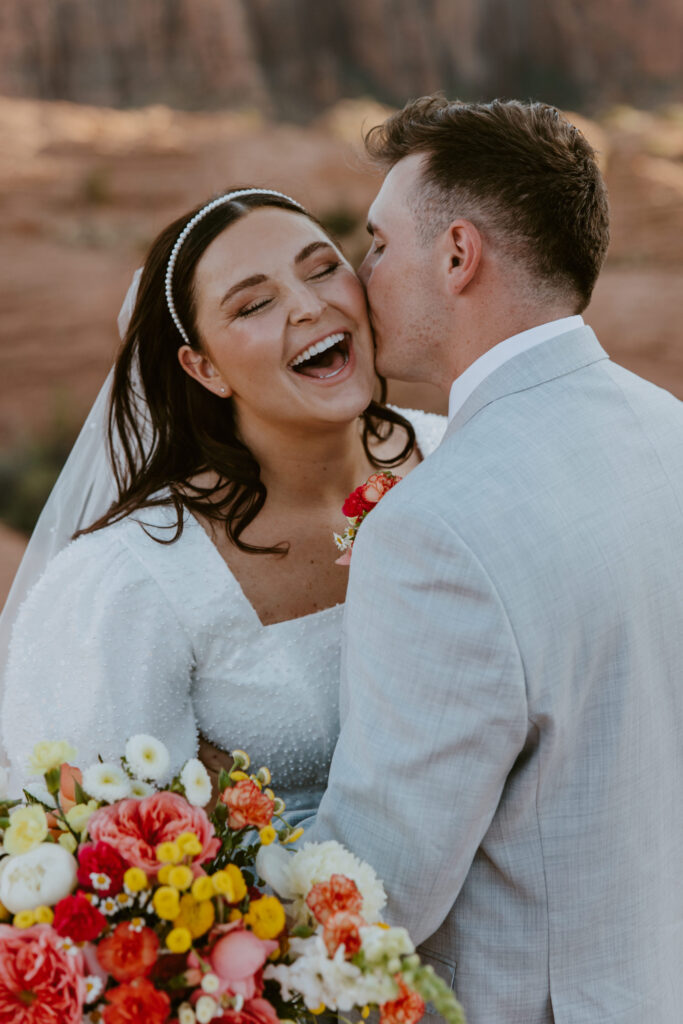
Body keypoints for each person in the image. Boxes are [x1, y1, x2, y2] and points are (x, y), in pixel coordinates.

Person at [311, 98, 683, 1022]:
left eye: (379, 245)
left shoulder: (436, 527)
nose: (361, 279)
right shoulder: (668, 431)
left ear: (457, 254)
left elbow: (377, 888)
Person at [0, 187, 446, 815]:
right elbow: (106, 846)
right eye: (255, 304)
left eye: (323, 269)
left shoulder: (460, 455)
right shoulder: (133, 582)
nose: (309, 305)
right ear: (204, 367)